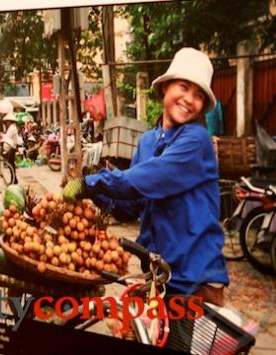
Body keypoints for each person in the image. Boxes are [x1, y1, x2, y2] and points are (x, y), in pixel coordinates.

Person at [62, 48, 229, 307]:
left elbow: (147, 179)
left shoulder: (197, 141)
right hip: (159, 273)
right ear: (165, 88)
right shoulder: (148, 141)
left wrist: (89, 184)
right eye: (183, 87)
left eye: (198, 95)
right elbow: (132, 204)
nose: (189, 99)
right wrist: (97, 205)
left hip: (195, 279)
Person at [2, 112, 22, 183]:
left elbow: (8, 137)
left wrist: (2, 136)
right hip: (13, 147)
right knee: (11, 164)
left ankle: (13, 179)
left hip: (12, 147)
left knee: (10, 164)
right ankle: (14, 179)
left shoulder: (12, 128)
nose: (6, 123)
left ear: (10, 121)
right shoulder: (13, 127)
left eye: (7, 121)